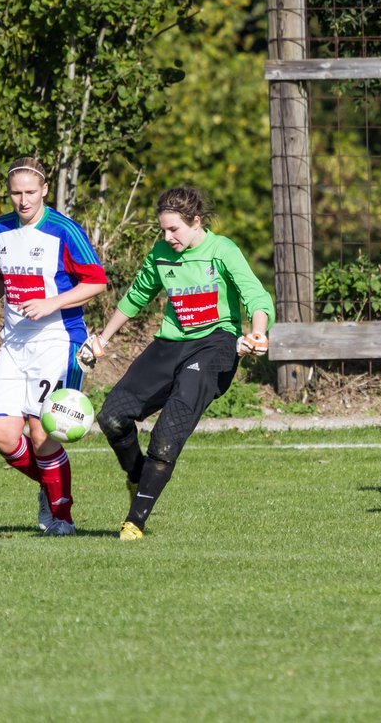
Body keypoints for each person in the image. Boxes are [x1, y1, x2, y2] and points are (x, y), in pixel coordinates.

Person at [76, 187, 274, 540]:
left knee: (166, 437)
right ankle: (138, 475)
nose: (167, 238)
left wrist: (257, 333)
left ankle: (134, 521)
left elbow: (256, 297)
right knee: (111, 416)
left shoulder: (222, 250)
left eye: (174, 230)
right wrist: (102, 339)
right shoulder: (161, 252)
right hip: (170, 344)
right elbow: (137, 295)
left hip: (215, 346)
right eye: (163, 230)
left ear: (196, 222)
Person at [0, 157, 108, 536]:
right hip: (14, 343)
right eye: (16, 193)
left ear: (44, 190)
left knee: (42, 434)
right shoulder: (1, 228)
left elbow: (96, 282)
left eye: (30, 192)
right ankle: (50, 484)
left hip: (58, 341)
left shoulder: (64, 230)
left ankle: (62, 516)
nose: (23, 200)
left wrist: (52, 303)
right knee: (3, 435)